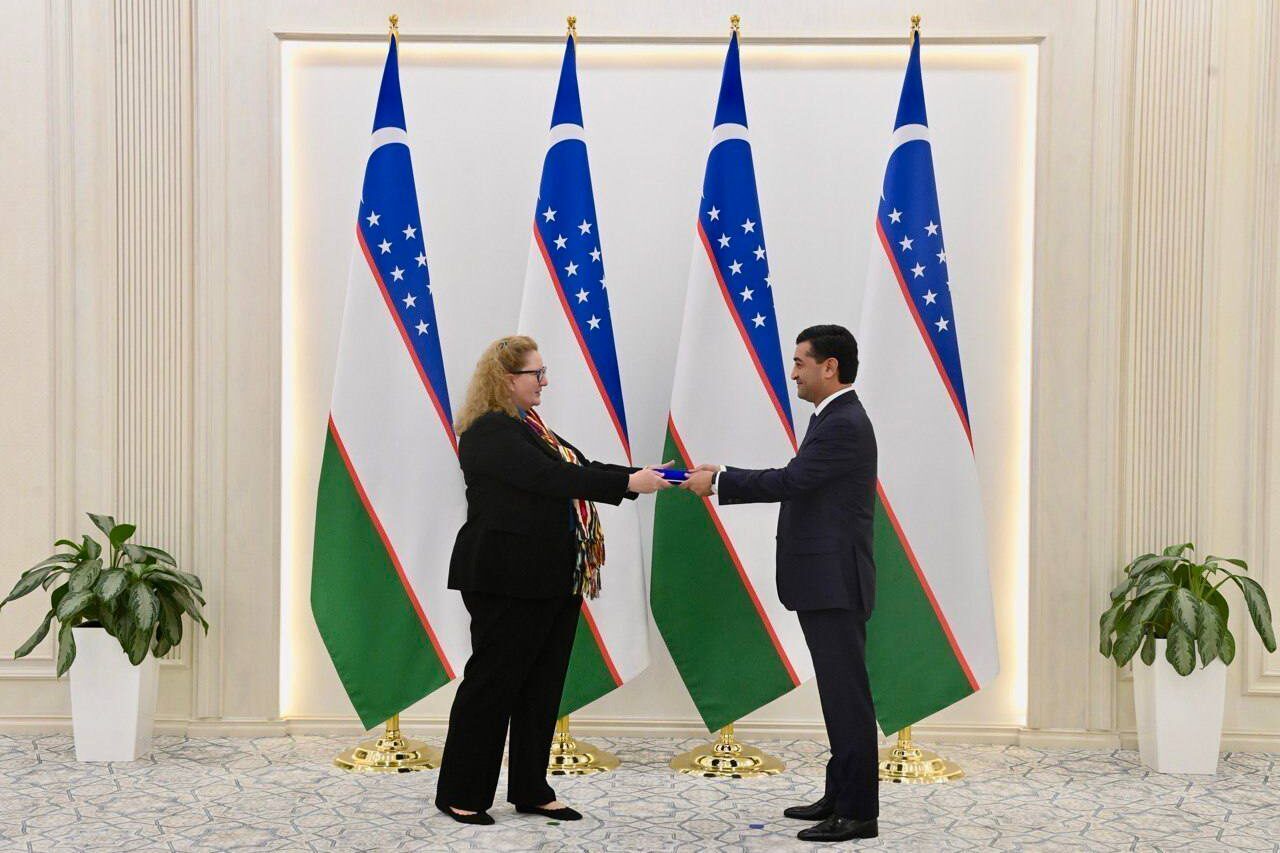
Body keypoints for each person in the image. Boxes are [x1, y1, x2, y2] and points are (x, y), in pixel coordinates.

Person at [434, 335, 670, 825]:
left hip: (552, 576)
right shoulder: (489, 431)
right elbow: (550, 480)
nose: (545, 381)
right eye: (536, 373)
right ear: (506, 379)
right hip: (505, 578)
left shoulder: (531, 428)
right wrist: (628, 483)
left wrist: (640, 474)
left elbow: (579, 469)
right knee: (493, 686)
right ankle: (462, 792)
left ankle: (531, 788)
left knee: (542, 687)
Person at [681, 324, 879, 843]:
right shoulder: (832, 418)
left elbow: (793, 481)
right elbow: (802, 479)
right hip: (825, 581)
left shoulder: (843, 422)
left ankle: (858, 812)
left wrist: (719, 481)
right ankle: (840, 793)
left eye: (800, 362)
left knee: (847, 697)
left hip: (835, 583)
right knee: (837, 695)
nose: (793, 373)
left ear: (829, 366)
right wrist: (726, 471)